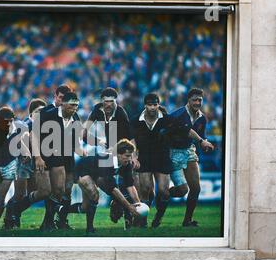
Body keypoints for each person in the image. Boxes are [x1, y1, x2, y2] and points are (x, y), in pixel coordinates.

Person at [32, 91, 84, 231]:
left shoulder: (76, 118)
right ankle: (47, 222)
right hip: (50, 154)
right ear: (62, 103)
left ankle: (61, 222)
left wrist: (81, 150)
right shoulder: (48, 114)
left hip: (68, 156)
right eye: (71, 105)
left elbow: (76, 141)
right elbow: (34, 135)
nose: (74, 109)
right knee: (57, 189)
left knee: (67, 190)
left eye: (76, 106)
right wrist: (37, 157)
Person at [167, 88, 214, 227]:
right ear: (188, 100)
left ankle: (187, 220)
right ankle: (163, 194)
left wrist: (205, 144)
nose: (197, 102)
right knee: (182, 191)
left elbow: (202, 135)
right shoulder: (179, 115)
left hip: (189, 150)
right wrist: (201, 141)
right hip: (173, 152)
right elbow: (188, 131)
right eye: (195, 99)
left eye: (200, 100)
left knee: (196, 189)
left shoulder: (202, 118)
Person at [74, 139, 143, 234]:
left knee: (84, 208)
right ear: (118, 154)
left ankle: (62, 210)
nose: (130, 159)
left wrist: (138, 205)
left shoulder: (127, 164)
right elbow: (112, 189)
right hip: (83, 169)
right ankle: (90, 229)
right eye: (127, 156)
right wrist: (129, 207)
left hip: (97, 174)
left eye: (131, 156)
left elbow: (130, 186)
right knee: (94, 195)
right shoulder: (107, 161)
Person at [129, 93, 174, 228]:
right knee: (145, 190)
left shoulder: (167, 119)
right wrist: (134, 156)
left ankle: (158, 218)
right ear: (145, 105)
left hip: (162, 157)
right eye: (150, 105)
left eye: (155, 104)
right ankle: (142, 221)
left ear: (158, 104)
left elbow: (176, 135)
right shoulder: (136, 120)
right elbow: (132, 140)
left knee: (164, 191)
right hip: (145, 157)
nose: (153, 107)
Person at [7, 98, 51, 228]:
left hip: (33, 162)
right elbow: (19, 139)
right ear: (31, 114)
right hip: (22, 162)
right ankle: (11, 217)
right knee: (20, 194)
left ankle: (14, 214)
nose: (41, 113)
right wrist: (25, 151)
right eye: (38, 111)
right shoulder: (26, 124)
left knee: (31, 193)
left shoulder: (43, 126)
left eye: (43, 111)